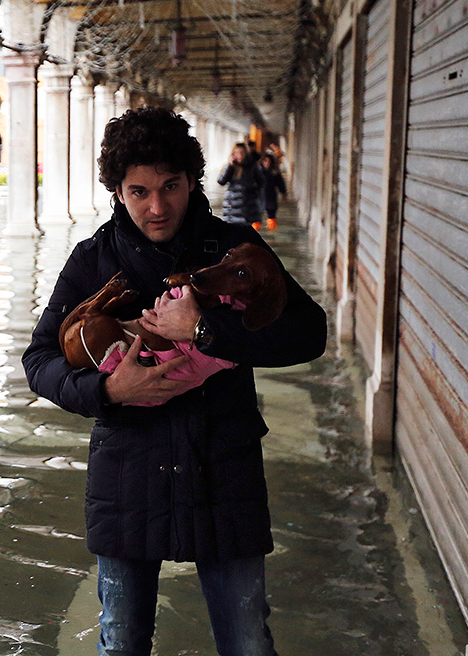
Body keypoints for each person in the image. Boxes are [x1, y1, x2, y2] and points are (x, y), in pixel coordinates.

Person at [21, 107, 326, 656]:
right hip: (127, 474)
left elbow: (309, 336)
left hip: (223, 468)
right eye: (138, 192)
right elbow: (39, 360)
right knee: (122, 643)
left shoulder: (236, 248)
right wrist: (109, 391)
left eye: (170, 187)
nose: (157, 207)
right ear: (117, 191)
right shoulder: (93, 259)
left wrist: (205, 329)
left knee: (248, 642)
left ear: (192, 181)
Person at [219, 142, 264, 230]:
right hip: (232, 208)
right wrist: (230, 166)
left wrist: (254, 194)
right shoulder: (230, 167)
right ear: (233, 154)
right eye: (237, 153)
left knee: (247, 234)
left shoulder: (252, 166)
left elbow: (261, 181)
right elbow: (221, 181)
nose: (240, 156)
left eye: (242, 153)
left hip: (248, 207)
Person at [257, 153, 287, 232]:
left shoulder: (274, 173)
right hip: (260, 197)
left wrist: (283, 193)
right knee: (257, 217)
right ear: (262, 162)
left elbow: (280, 184)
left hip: (271, 197)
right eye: (265, 161)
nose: (267, 163)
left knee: (271, 216)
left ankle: (271, 233)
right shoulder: (257, 172)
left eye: (269, 161)